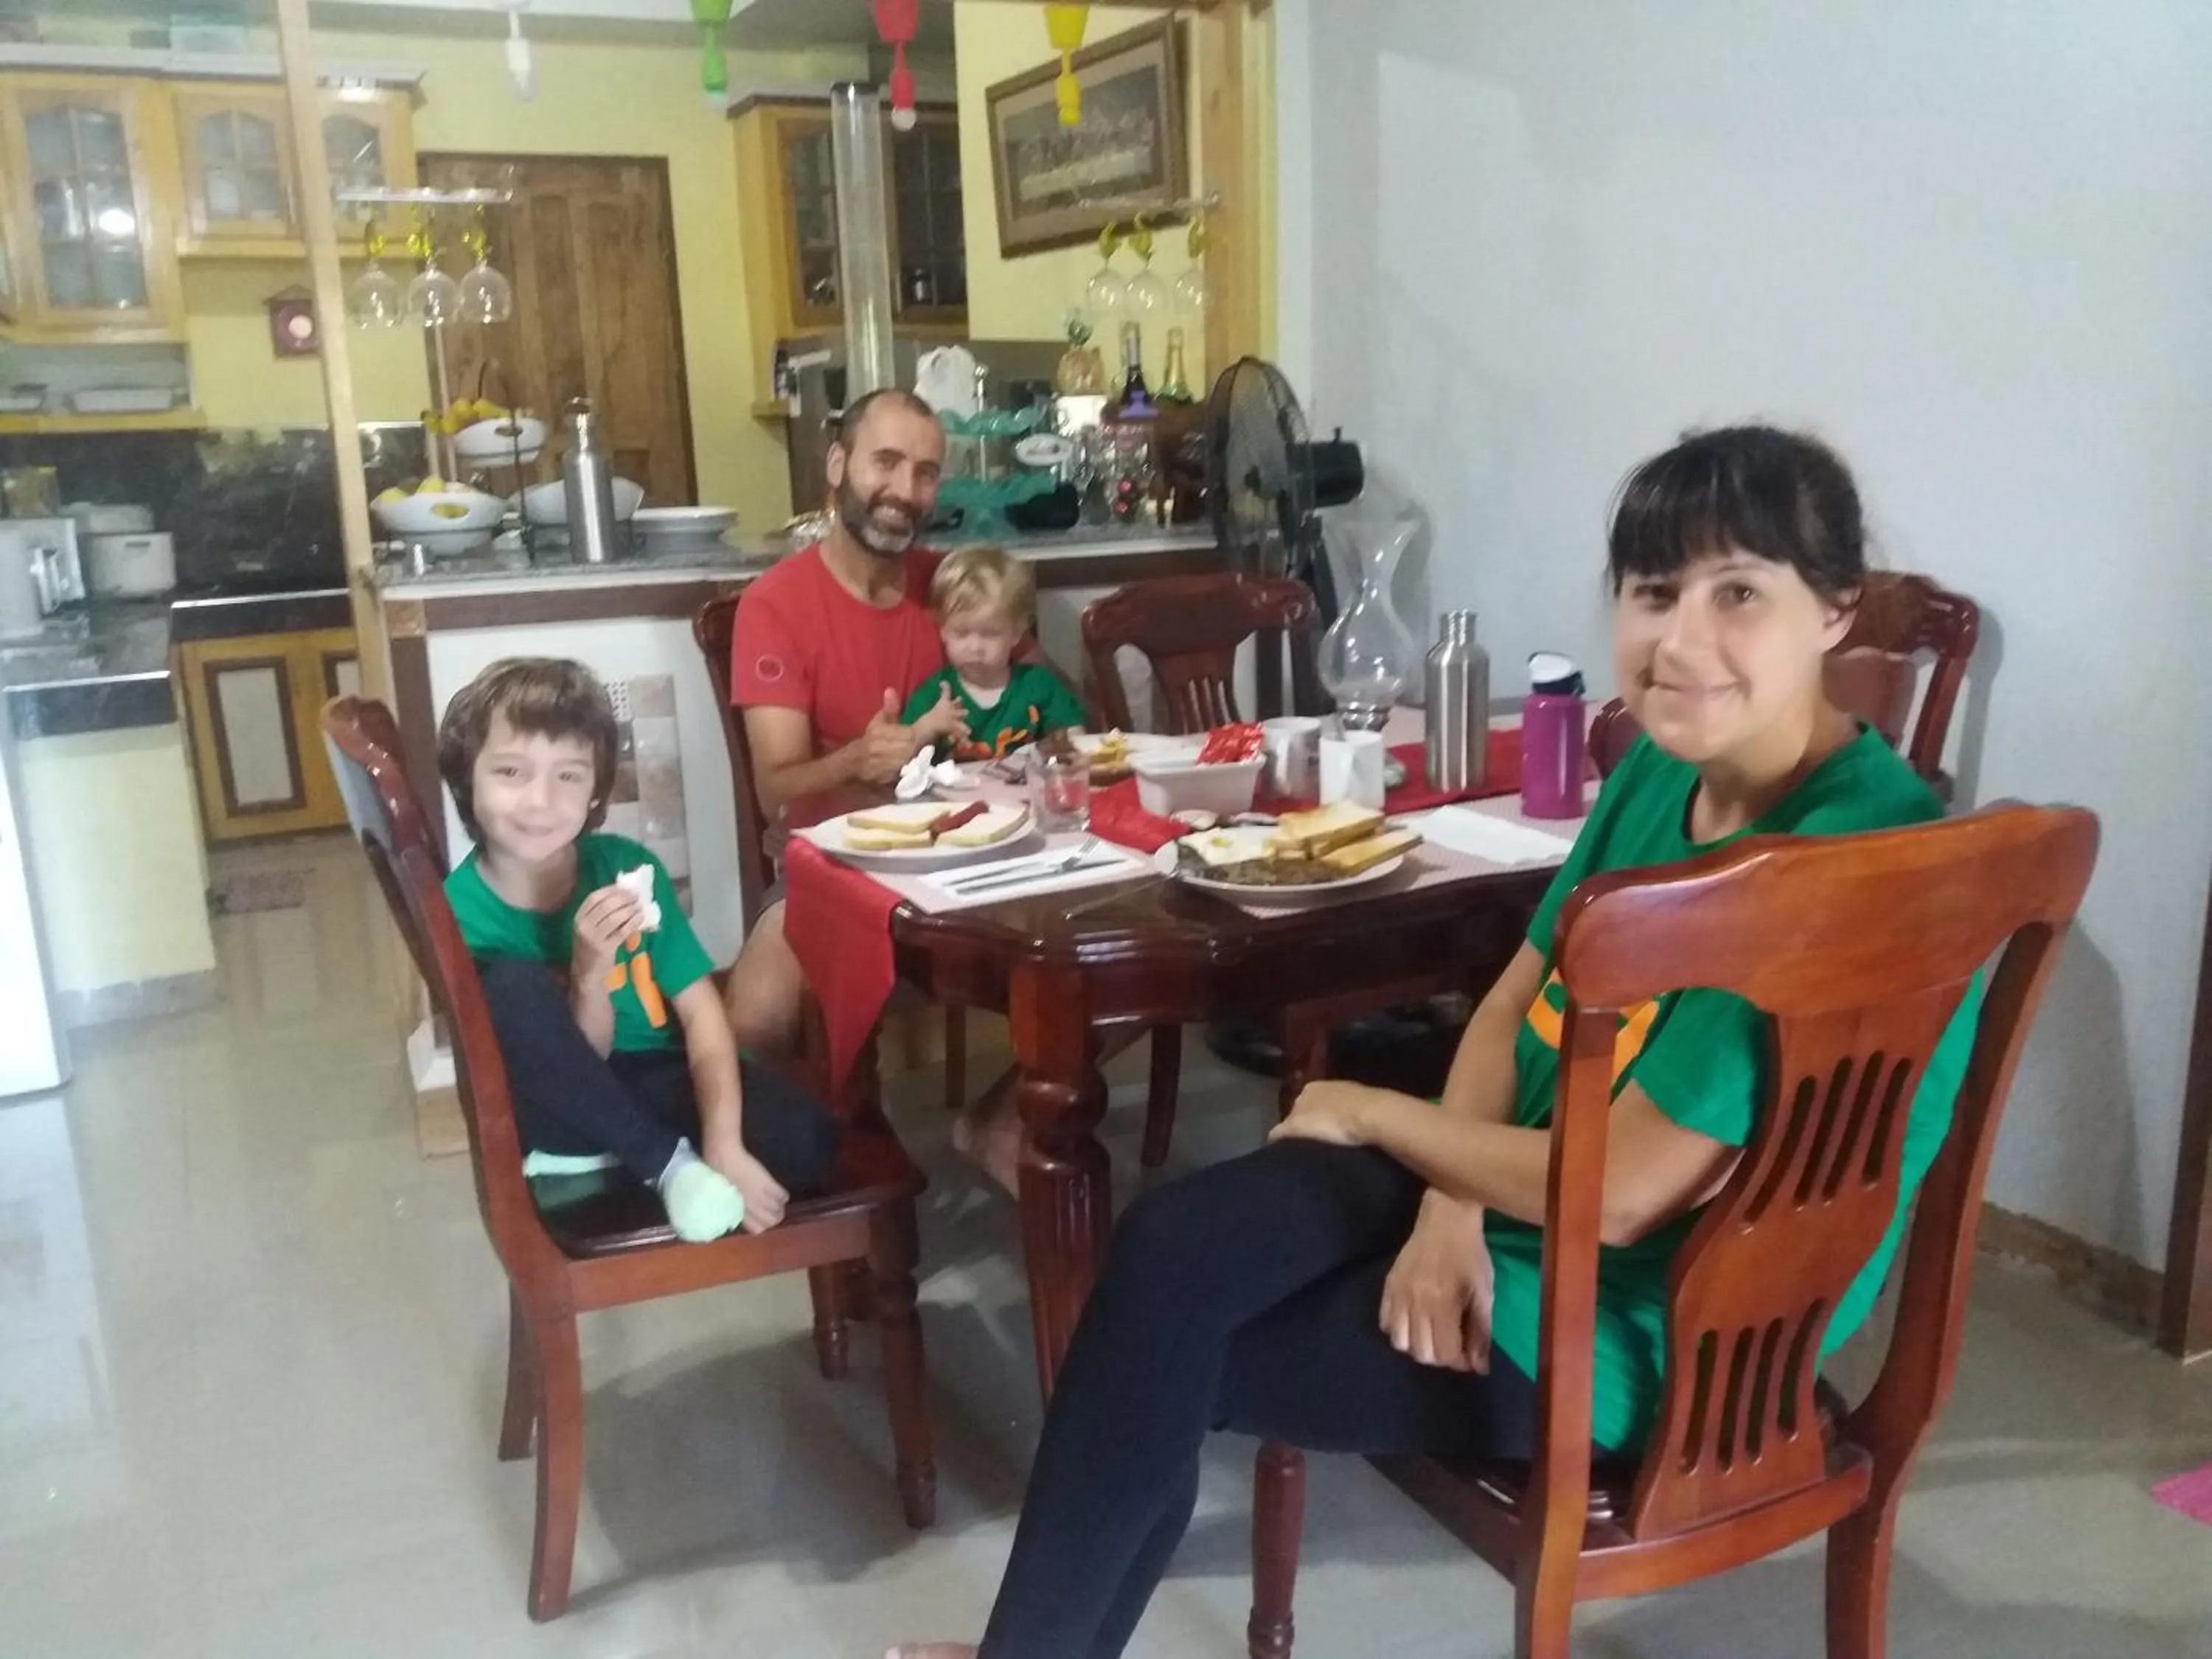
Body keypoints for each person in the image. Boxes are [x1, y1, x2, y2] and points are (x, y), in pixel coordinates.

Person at [887, 425, 1983, 1659]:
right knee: (1170, 1252)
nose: (1681, 642)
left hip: (1645, 1327)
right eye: (1653, 591)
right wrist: (1449, 1207)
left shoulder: (1846, 862)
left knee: (1173, 1345)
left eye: (1739, 594)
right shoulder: (1662, 772)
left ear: (1834, 611)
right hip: (1522, 1191)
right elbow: (1516, 997)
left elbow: (1627, 1190)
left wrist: (1376, 1116)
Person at [438, 656, 841, 1244]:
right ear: (466, 781)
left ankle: (648, 1157)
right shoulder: (458, 912)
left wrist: (724, 1142)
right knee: (513, 987)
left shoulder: (628, 867)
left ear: (595, 792)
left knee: (810, 1139)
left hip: (652, 1076)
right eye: (511, 772)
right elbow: (581, 1059)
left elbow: (702, 1015)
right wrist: (589, 971)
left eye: (568, 776)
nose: (540, 800)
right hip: (559, 1104)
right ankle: (667, 1166)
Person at [722, 387, 957, 1056]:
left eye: (925, 473)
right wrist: (857, 760)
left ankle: (1014, 1111)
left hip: (963, 850)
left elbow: (1036, 701)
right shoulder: (774, 603)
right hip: (828, 864)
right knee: (755, 1021)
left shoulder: (952, 586)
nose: (904, 491)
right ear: (836, 465)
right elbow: (775, 789)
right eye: (886, 462)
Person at [900, 545, 1088, 762]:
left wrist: (1069, 747)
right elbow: (901, 757)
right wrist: (928, 726)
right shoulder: (933, 696)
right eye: (962, 633)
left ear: (1016, 633)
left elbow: (1075, 738)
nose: (975, 647)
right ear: (942, 630)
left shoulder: (1038, 686)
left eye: (990, 634)